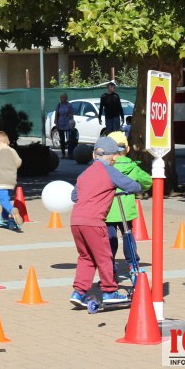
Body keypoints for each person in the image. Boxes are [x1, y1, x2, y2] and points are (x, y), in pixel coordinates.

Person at [70, 136, 141, 307]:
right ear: (114, 156)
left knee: (86, 257)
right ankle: (109, 292)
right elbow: (133, 186)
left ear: (94, 155)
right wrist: (124, 190)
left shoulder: (84, 174)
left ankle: (79, 292)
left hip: (76, 221)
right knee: (104, 256)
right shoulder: (110, 171)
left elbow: (74, 196)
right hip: (94, 222)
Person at [105, 131, 152, 279]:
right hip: (125, 209)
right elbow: (147, 181)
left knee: (110, 238)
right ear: (128, 149)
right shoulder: (132, 167)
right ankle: (133, 264)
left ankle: (109, 267)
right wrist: (139, 188)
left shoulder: (104, 167)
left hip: (107, 210)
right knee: (127, 235)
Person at [55, 93, 74, 159]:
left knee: (69, 139)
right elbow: (57, 114)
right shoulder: (59, 105)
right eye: (62, 97)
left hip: (68, 123)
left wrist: (71, 121)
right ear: (60, 98)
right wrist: (56, 123)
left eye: (65, 97)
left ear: (66, 98)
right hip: (60, 123)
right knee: (62, 140)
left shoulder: (69, 105)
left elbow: (72, 113)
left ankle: (69, 154)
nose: (63, 98)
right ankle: (63, 154)